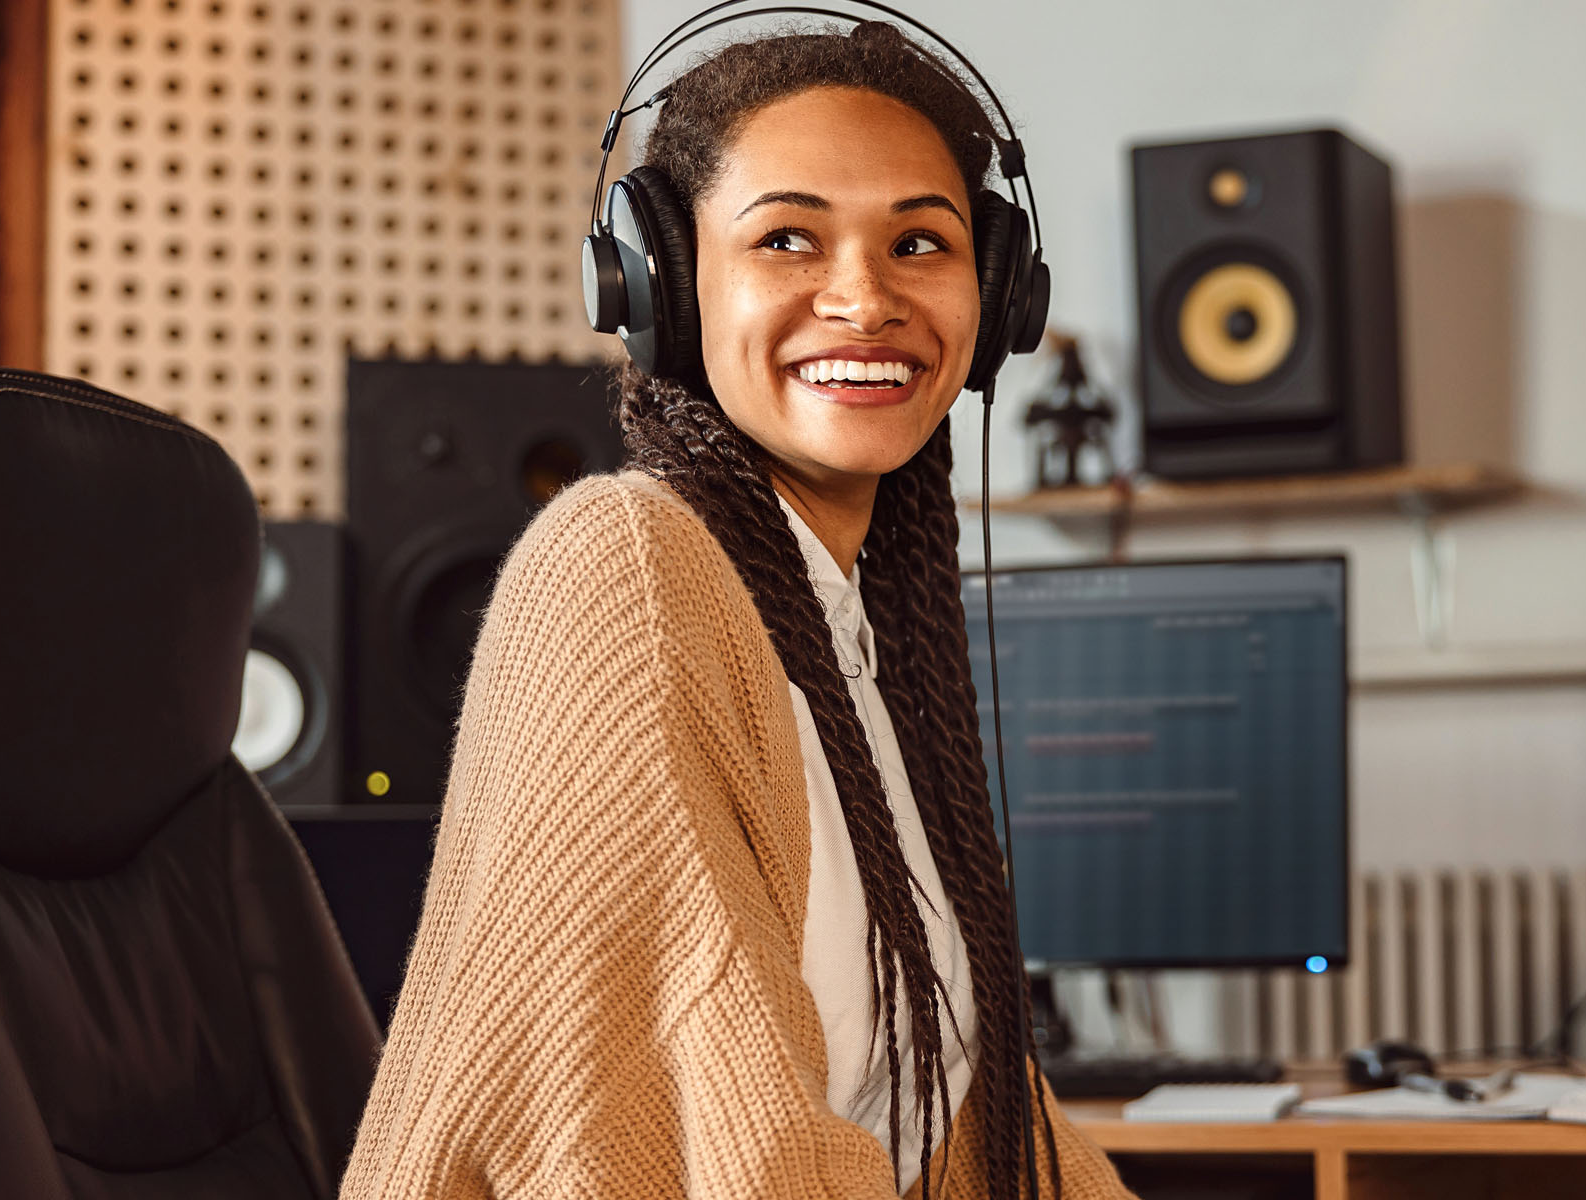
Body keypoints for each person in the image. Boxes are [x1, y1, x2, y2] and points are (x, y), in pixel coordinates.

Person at [339, 19, 1133, 1200]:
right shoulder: (626, 570)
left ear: (997, 295)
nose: (864, 298)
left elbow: (971, 1114)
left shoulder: (863, 635)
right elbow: (708, 1154)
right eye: (787, 239)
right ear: (660, 282)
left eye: (920, 240)